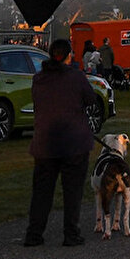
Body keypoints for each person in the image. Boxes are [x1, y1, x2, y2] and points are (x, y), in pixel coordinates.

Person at [23, 38, 97, 247]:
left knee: (42, 192)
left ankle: (34, 233)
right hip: (73, 142)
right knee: (72, 192)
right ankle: (71, 233)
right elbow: (90, 99)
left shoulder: (39, 79)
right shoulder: (76, 77)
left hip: (45, 143)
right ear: (67, 55)